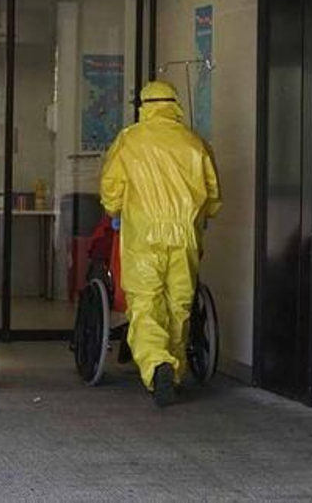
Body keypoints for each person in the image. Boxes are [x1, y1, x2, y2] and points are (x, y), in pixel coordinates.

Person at [100, 79, 221, 407]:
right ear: (175, 104)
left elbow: (112, 186)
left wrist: (114, 211)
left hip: (143, 236)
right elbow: (212, 193)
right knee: (179, 306)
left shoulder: (130, 140)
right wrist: (204, 215)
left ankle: (157, 365)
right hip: (184, 236)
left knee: (144, 304)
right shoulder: (194, 143)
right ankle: (174, 372)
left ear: (144, 105)